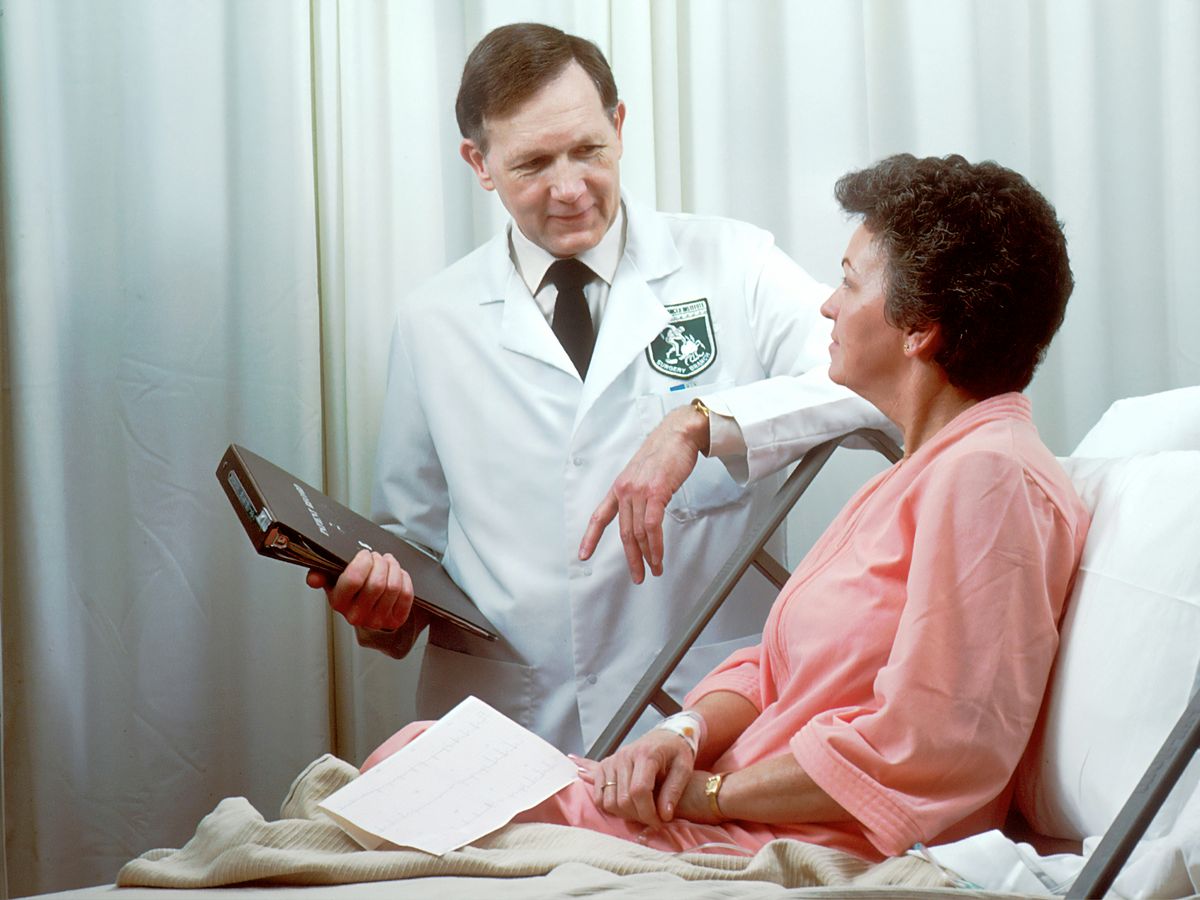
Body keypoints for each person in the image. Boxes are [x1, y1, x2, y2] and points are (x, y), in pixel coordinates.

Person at [362, 153, 1091, 861]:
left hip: (790, 837)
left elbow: (927, 748)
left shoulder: (990, 479)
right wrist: (677, 735)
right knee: (423, 757)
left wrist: (708, 795)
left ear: (919, 329)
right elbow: (773, 669)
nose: (827, 304)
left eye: (848, 282)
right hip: (724, 806)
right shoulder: (919, 473)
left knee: (415, 778)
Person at [307, 22, 887, 754]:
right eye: (533, 165)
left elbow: (877, 379)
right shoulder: (433, 322)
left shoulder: (734, 263)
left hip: (698, 718)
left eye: (587, 150)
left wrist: (699, 422)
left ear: (618, 125)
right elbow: (410, 543)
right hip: (510, 728)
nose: (570, 188)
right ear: (478, 164)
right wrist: (381, 610)